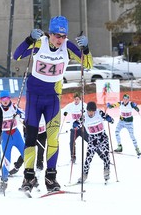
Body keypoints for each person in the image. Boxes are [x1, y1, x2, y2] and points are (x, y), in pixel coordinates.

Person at [13, 15, 93, 192]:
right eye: (57, 35)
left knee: (53, 140)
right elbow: (17, 56)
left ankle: (51, 178)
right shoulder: (40, 43)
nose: (60, 40)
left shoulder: (68, 47)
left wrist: (86, 48)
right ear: (50, 34)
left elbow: (87, 65)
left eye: (63, 36)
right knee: (31, 139)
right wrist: (28, 40)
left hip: (52, 98)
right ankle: (28, 178)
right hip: (34, 97)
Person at [77, 101, 114, 183]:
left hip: (102, 137)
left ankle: (106, 172)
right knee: (88, 158)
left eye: (92, 111)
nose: (90, 113)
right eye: (88, 111)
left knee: (106, 155)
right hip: (92, 139)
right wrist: (75, 125)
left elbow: (111, 120)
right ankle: (84, 175)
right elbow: (77, 124)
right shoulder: (84, 116)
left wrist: (110, 119)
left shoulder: (99, 113)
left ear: (94, 110)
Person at [0, 90, 25, 193]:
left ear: (9, 99)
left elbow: (24, 115)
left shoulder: (14, 107)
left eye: (6, 99)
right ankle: (4, 182)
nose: (5, 101)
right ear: (1, 100)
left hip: (16, 135)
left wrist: (21, 115)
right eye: (3, 99)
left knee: (26, 155)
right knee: (6, 160)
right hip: (5, 136)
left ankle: (29, 179)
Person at [62, 92, 88, 163]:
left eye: (77, 99)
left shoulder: (83, 105)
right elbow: (63, 110)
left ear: (80, 99)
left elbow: (89, 112)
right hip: (73, 129)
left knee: (90, 141)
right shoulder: (70, 105)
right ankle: (73, 158)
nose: (76, 101)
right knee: (71, 143)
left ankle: (101, 153)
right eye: (75, 99)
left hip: (82, 128)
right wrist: (65, 113)